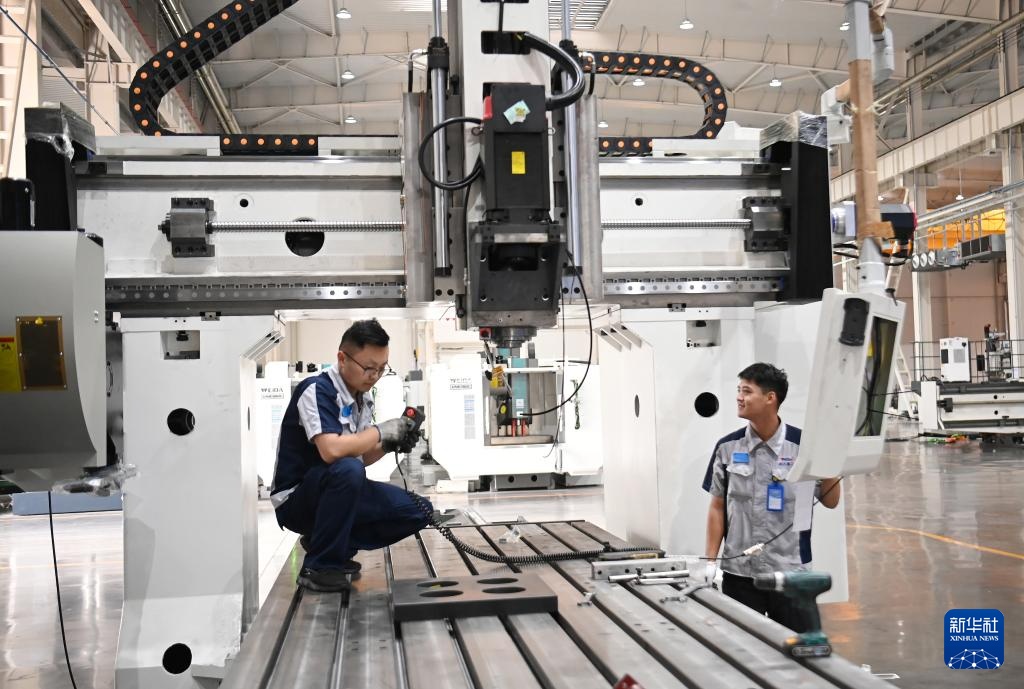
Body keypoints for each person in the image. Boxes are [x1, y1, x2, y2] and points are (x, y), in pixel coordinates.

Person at [271, 319, 432, 592]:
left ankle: (330, 544)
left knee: (420, 511)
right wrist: (380, 431)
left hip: (337, 488)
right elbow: (332, 451)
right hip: (297, 501)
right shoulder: (317, 390)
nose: (374, 376)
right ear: (342, 358)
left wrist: (390, 444)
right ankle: (319, 566)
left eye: (382, 369)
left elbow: (360, 458)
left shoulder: (362, 398)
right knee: (347, 470)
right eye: (369, 368)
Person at [702, 363, 841, 631]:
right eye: (739, 390)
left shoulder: (804, 447)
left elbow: (831, 500)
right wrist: (710, 561)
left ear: (770, 398)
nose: (739, 397)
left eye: (747, 391)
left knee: (795, 648)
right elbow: (717, 506)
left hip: (791, 572)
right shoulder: (727, 447)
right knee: (743, 647)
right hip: (740, 573)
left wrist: (828, 456)